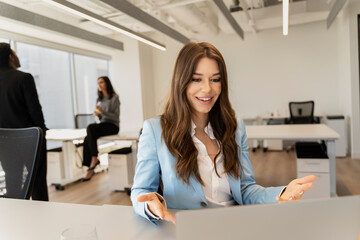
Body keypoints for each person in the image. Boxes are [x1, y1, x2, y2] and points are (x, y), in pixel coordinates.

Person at [131, 42, 317, 223]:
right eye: (197, 79)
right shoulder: (156, 130)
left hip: (233, 225)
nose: (207, 89)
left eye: (215, 79)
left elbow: (245, 189)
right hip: (187, 229)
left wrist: (282, 193)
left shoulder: (234, 128)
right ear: (181, 82)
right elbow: (140, 191)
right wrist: (151, 205)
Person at [0, 42, 49, 201]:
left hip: (5, 141)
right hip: (30, 139)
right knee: (37, 181)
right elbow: (34, 109)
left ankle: (17, 220)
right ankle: (41, 217)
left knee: (12, 180)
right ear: (9, 57)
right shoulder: (23, 78)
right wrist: (42, 132)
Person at [81, 76, 120, 181]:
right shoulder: (99, 99)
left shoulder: (114, 98)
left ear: (107, 83)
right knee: (88, 136)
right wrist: (98, 114)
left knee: (90, 129)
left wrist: (103, 112)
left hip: (113, 126)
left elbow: (116, 117)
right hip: (103, 124)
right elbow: (101, 117)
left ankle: (92, 161)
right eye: (98, 83)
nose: (99, 84)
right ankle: (92, 162)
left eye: (101, 82)